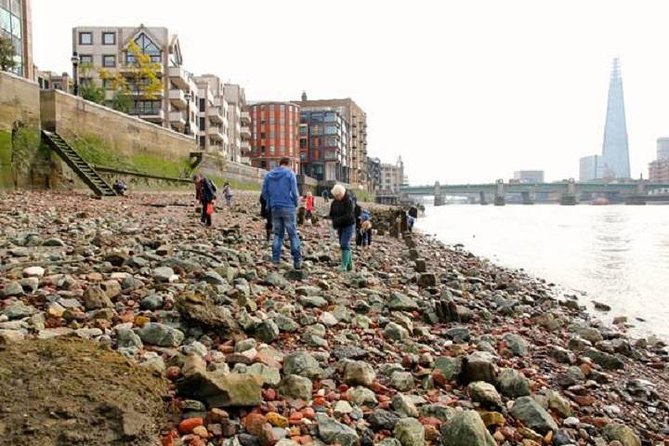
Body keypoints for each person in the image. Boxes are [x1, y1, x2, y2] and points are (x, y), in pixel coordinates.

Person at [261, 157, 302, 269]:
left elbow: (264, 193)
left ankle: (275, 259)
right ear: (288, 164)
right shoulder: (290, 174)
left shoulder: (269, 175)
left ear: (280, 164)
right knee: (292, 234)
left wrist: (270, 203)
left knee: (278, 234)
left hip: (275, 207)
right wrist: (295, 203)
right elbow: (294, 192)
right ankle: (297, 260)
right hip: (288, 206)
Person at [329, 184, 356, 272]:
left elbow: (349, 215)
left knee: (344, 243)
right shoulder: (334, 203)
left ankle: (343, 266)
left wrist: (337, 220)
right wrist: (333, 221)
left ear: (342, 193)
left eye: (338, 195)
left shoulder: (349, 201)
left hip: (348, 225)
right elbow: (331, 214)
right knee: (343, 244)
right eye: (335, 196)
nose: (337, 197)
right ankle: (349, 266)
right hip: (340, 226)